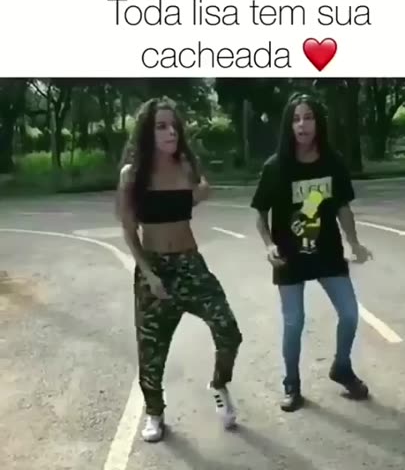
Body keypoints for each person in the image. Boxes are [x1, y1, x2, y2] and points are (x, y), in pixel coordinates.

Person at [116, 97, 243, 442]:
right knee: (151, 352)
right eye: (161, 126)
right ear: (148, 133)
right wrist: (149, 274)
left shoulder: (186, 166)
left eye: (174, 126)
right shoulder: (132, 176)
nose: (171, 132)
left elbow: (195, 195)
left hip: (190, 264)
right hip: (155, 269)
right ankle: (155, 413)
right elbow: (129, 231)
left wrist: (201, 192)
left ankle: (219, 384)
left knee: (228, 330)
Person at [250, 92, 372, 412]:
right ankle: (291, 384)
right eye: (295, 119)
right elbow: (260, 212)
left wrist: (354, 242)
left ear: (318, 123)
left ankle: (341, 367)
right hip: (289, 256)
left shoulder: (333, 162)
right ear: (288, 125)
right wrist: (269, 245)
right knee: (294, 322)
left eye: (308, 118)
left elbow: (342, 207)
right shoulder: (276, 167)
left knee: (349, 314)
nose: (302, 124)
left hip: (327, 252)